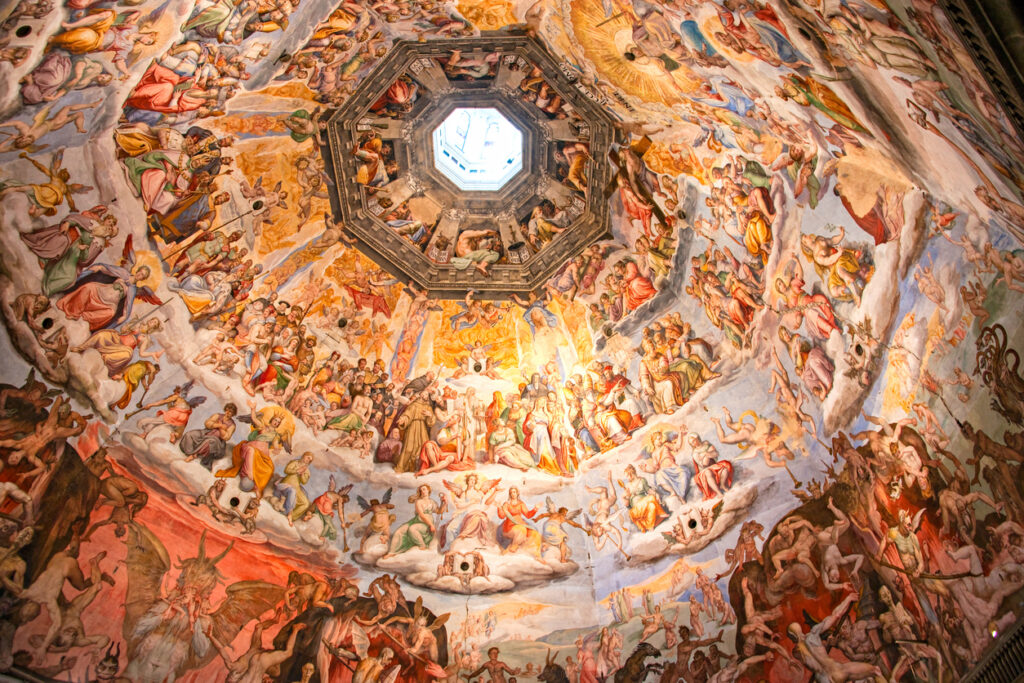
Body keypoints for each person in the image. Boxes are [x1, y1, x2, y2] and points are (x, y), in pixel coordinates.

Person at [384, 485, 446, 556]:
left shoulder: (432, 502)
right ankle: (392, 552)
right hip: (417, 521)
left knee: (412, 529)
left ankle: (422, 545)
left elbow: (439, 511)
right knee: (399, 531)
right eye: (421, 490)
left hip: (426, 524)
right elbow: (421, 515)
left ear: (428, 490)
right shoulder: (418, 501)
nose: (422, 491)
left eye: (424, 489)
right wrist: (431, 525)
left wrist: (444, 503)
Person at [180, 403, 237, 469]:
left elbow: (226, 437)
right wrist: (219, 425)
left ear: (233, 414)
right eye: (227, 410)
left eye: (230, 412)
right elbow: (207, 423)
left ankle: (194, 455)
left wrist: (221, 429)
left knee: (210, 442)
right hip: (206, 433)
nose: (228, 413)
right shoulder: (217, 415)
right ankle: (188, 451)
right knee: (190, 434)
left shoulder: (232, 425)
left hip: (218, 441)